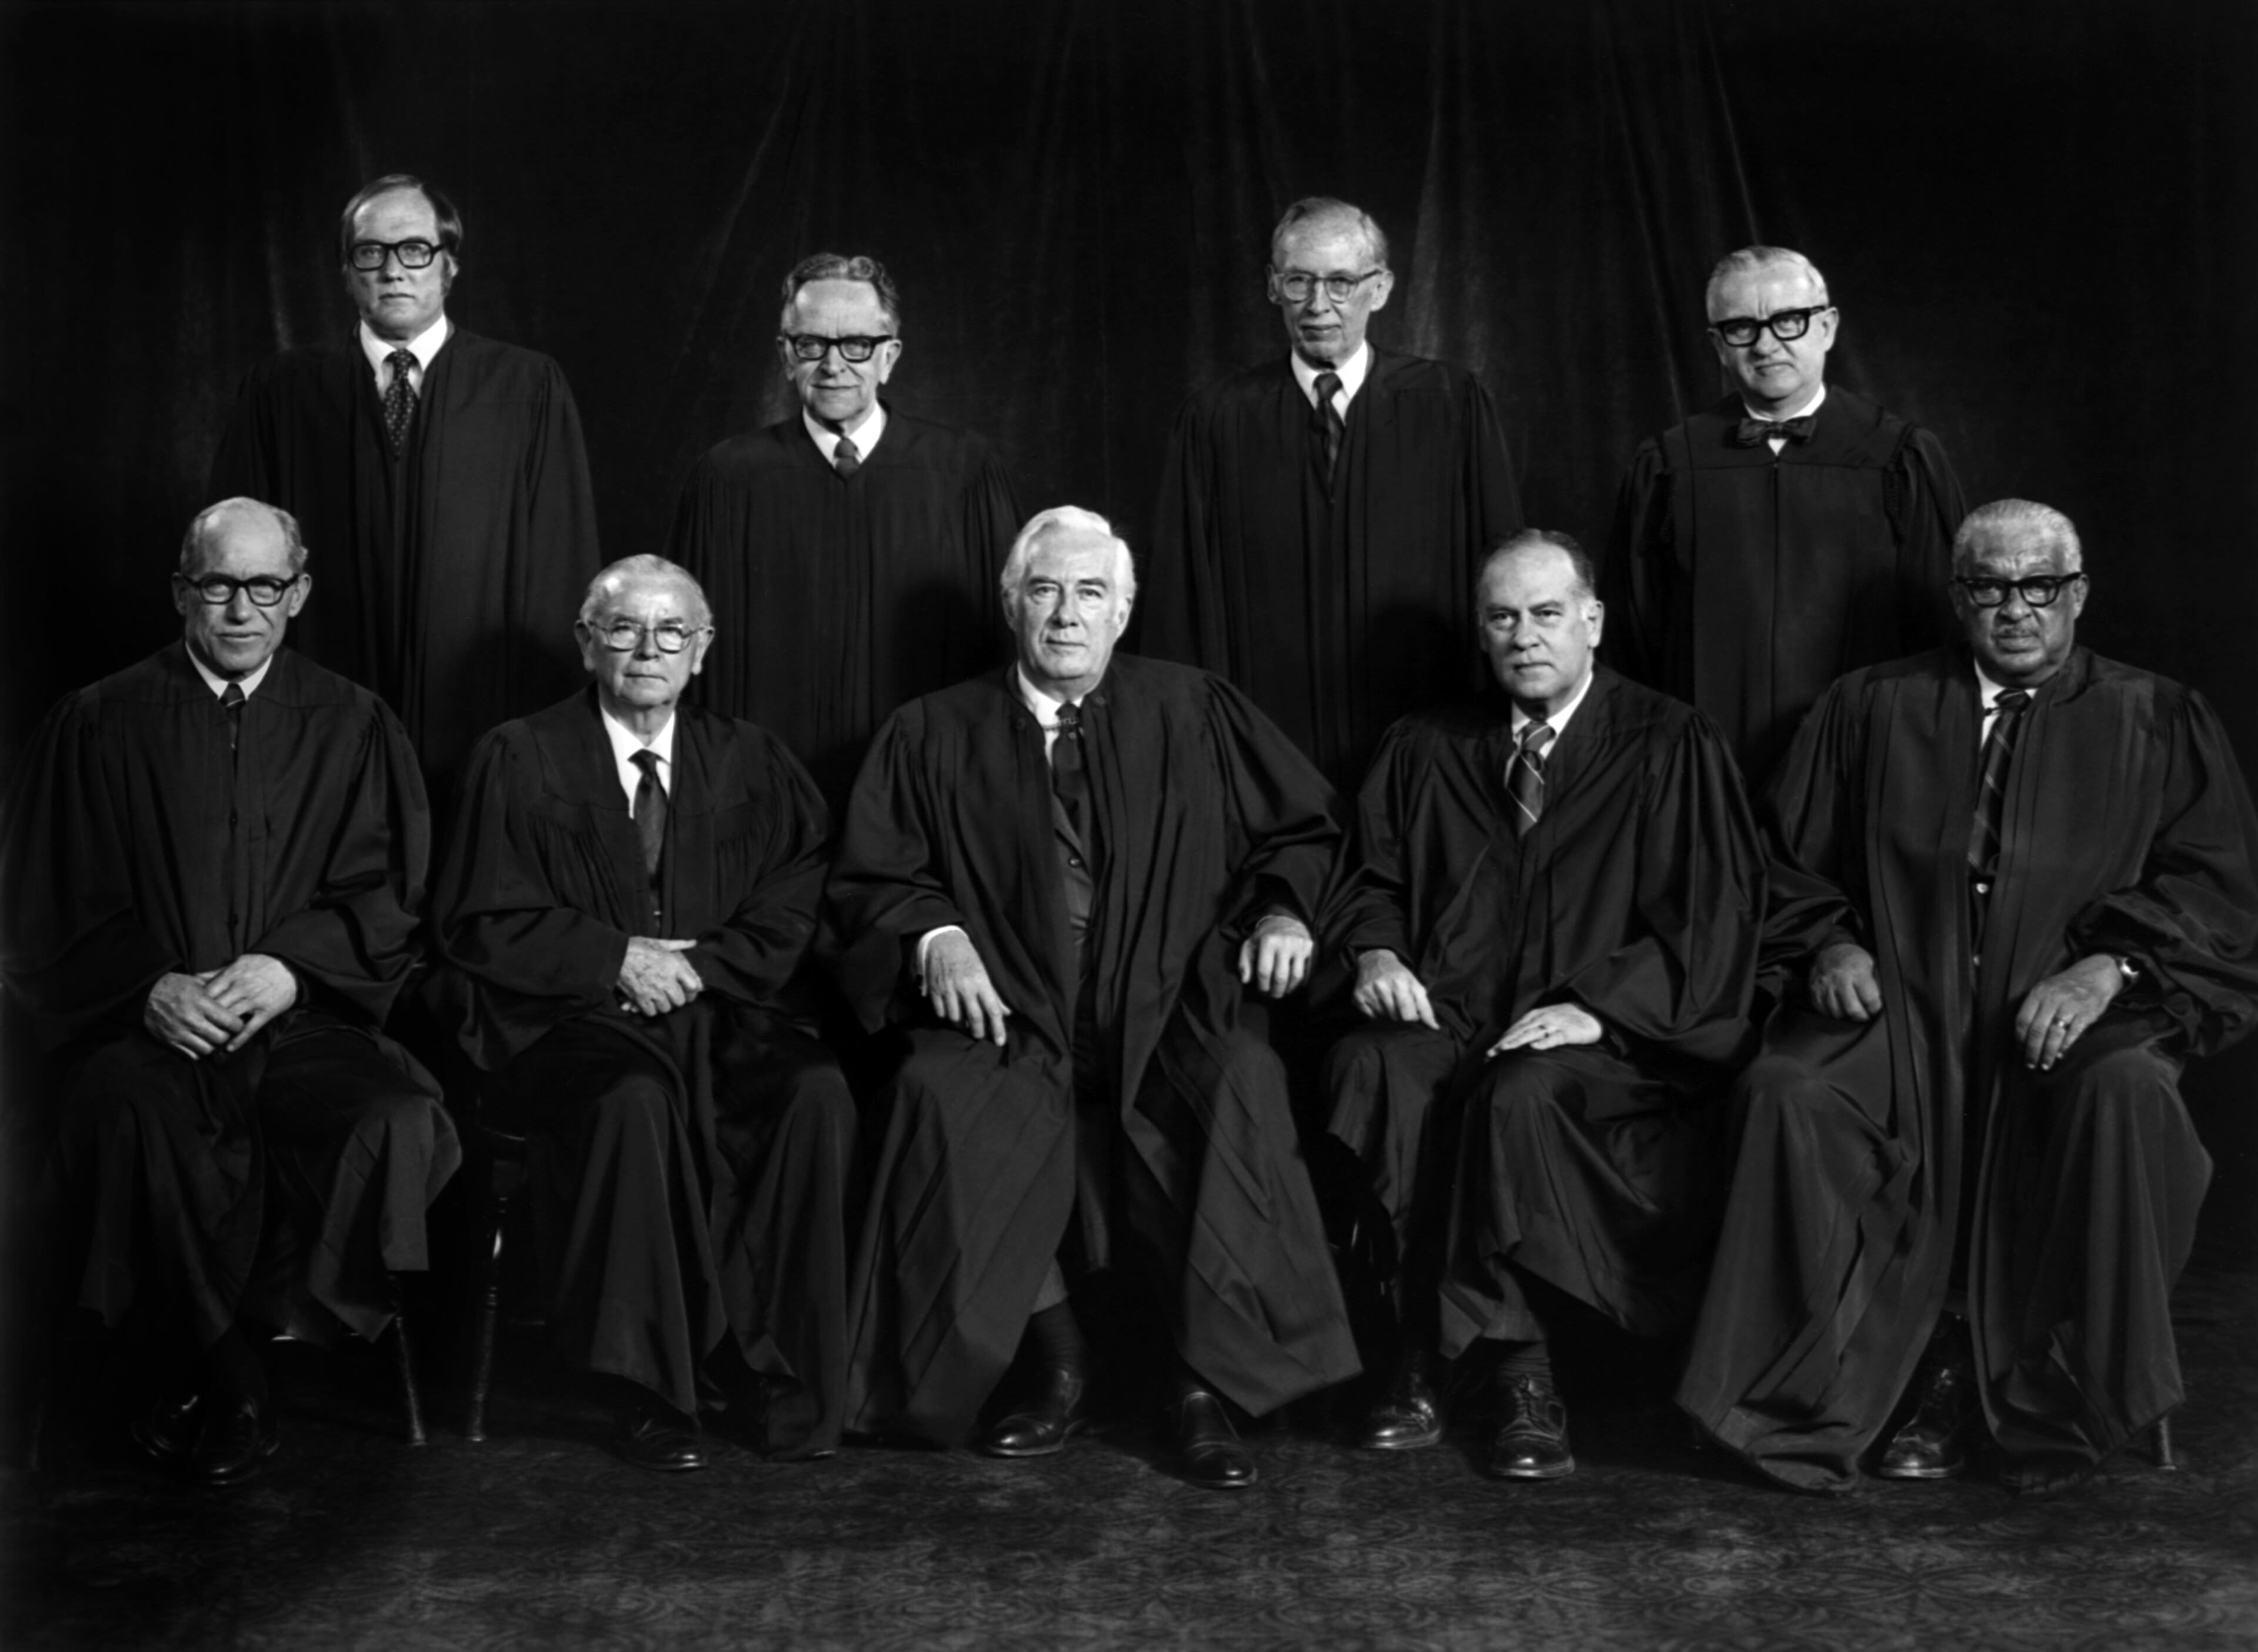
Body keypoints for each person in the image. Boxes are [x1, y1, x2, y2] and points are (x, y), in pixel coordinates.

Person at [1679, 500, 2258, 1497]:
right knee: (1787, 1089)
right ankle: (1824, 1388)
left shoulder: (2156, 715)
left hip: (2060, 1015)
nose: (2016, 611)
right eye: (1990, 589)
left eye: (2040, 588)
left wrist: (2107, 969)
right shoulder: (1872, 706)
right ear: (1959, 597)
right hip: (1902, 1010)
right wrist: (1830, 940)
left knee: (2124, 1094)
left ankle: (2065, 1387)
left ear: (2077, 594)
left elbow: (2214, 891)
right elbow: (1775, 862)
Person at [829, 506, 1357, 1489]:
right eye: (1044, 591)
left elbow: (1304, 830)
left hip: (1170, 1004)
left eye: (1090, 594)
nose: (1066, 615)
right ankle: (1057, 1360)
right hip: (1010, 1013)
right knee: (937, 1100)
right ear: (1011, 606)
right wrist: (935, 935)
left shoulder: (1196, 708)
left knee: (1238, 1082)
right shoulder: (933, 729)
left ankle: (1203, 1386)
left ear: (1124, 613)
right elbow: (871, 874)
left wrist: (1287, 914)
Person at [2, 498, 457, 1485]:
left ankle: (227, 1346)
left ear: (298, 594)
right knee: (124, 1112)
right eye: (218, 584)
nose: (240, 608)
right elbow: (41, 906)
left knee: (389, 1117)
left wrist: (291, 968)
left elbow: (391, 895)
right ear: (182, 591)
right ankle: (232, 1370)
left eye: (264, 586)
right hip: (148, 1029)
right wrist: (148, 988)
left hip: (301, 1023)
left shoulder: (353, 722)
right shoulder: (99, 720)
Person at [1322, 530, 1763, 1479]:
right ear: (1482, 636)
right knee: (1376, 1066)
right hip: (1455, 1016)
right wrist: (1375, 951)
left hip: (1606, 1042)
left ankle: (1519, 1374)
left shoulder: (1668, 741)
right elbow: (1369, 880)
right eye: (1503, 618)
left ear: (1593, 623)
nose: (1526, 637)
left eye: (1548, 613)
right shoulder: (1425, 745)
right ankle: (1421, 1349)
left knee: (1516, 1093)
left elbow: (1713, 921)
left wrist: (1600, 1010)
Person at [427, 556, 856, 1472]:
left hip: (717, 1006)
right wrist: (611, 957)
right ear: (589, 645)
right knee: (632, 1099)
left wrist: (701, 968)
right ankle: (647, 1386)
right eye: (624, 629)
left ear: (702, 651)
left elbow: (801, 891)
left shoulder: (752, 756)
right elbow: (477, 913)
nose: (649, 649)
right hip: (568, 1018)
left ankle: (780, 1373)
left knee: (813, 1088)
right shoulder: (521, 753)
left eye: (673, 633)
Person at [208, 173, 602, 802]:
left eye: (414, 250)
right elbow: (230, 564)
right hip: (315, 711)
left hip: (478, 710)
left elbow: (560, 566)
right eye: (371, 252)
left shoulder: (525, 388)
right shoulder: (281, 393)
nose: (393, 270)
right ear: (346, 270)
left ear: (448, 267)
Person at [1143, 198, 1521, 787]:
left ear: (1382, 287)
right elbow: (1181, 602)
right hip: (1265, 750)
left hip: (1428, 740)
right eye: (1299, 281)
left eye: (1342, 282)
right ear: (1273, 286)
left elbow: (1504, 573)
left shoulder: (1451, 406)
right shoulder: (1217, 421)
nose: (1319, 305)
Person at [669, 253, 1024, 811]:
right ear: (786, 356)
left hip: (928, 792)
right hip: (765, 792)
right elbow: (689, 659)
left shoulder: (963, 472)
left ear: (889, 356)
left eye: (856, 344)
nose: (834, 364)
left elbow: (1002, 646)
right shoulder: (729, 479)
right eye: (812, 344)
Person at [1603, 246, 1967, 785]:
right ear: (1717, 346)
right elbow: (1634, 635)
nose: (1766, 345)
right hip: (1705, 765)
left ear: (1827, 327)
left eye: (1788, 322)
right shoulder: (1670, 464)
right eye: (1741, 328)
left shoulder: (1899, 457)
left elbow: (1941, 626)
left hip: (1864, 761)